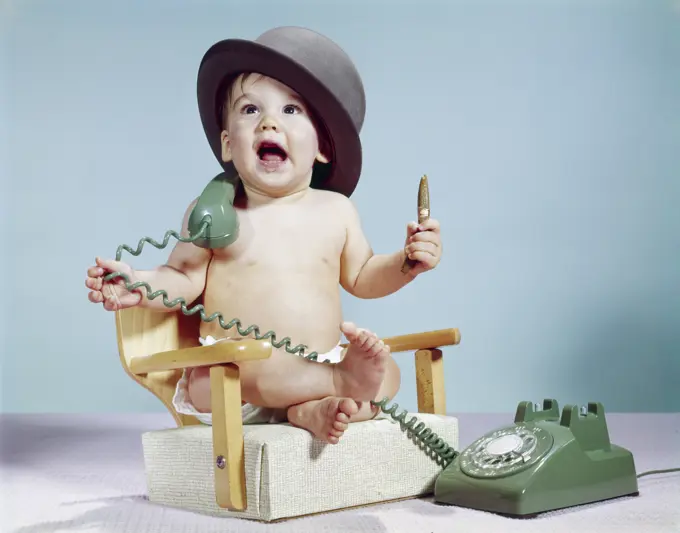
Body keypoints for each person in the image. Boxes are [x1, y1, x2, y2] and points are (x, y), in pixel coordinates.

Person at [85, 27, 442, 444]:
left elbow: (363, 275)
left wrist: (405, 263)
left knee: (388, 374)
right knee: (270, 365)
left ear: (322, 147)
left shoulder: (336, 212)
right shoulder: (216, 213)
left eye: (292, 111)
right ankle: (336, 386)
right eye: (250, 110)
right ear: (227, 144)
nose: (269, 121)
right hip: (235, 374)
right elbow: (180, 278)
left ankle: (313, 407)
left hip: (318, 364)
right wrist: (138, 284)